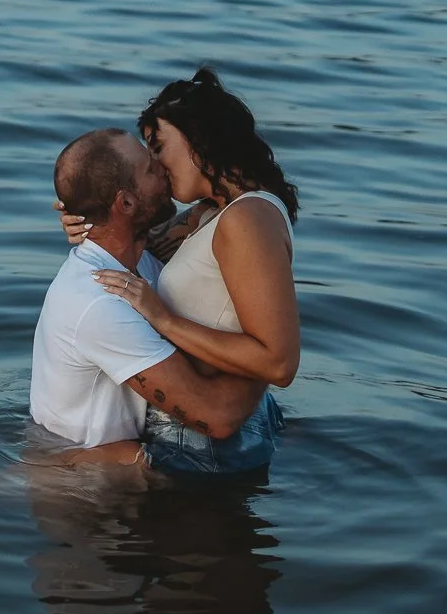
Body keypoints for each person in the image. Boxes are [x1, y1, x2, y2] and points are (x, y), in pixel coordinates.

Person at [58, 68, 301, 476]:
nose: (155, 164)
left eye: (158, 147)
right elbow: (131, 234)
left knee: (40, 472)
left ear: (199, 139)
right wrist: (84, 217)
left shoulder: (246, 219)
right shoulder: (217, 213)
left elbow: (279, 364)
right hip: (212, 431)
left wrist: (162, 318)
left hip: (201, 443)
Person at [29, 127, 268, 466]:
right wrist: (266, 359)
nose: (163, 167)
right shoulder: (101, 300)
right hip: (84, 488)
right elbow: (217, 418)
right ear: (125, 202)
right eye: (150, 169)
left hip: (128, 463)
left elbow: (221, 211)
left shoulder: (140, 261)